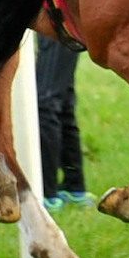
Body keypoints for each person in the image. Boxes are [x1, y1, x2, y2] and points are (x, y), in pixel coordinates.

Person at [34, 34, 91, 210]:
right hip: (64, 25)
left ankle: (46, 194)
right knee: (62, 100)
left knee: (45, 101)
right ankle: (74, 187)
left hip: (59, 22)